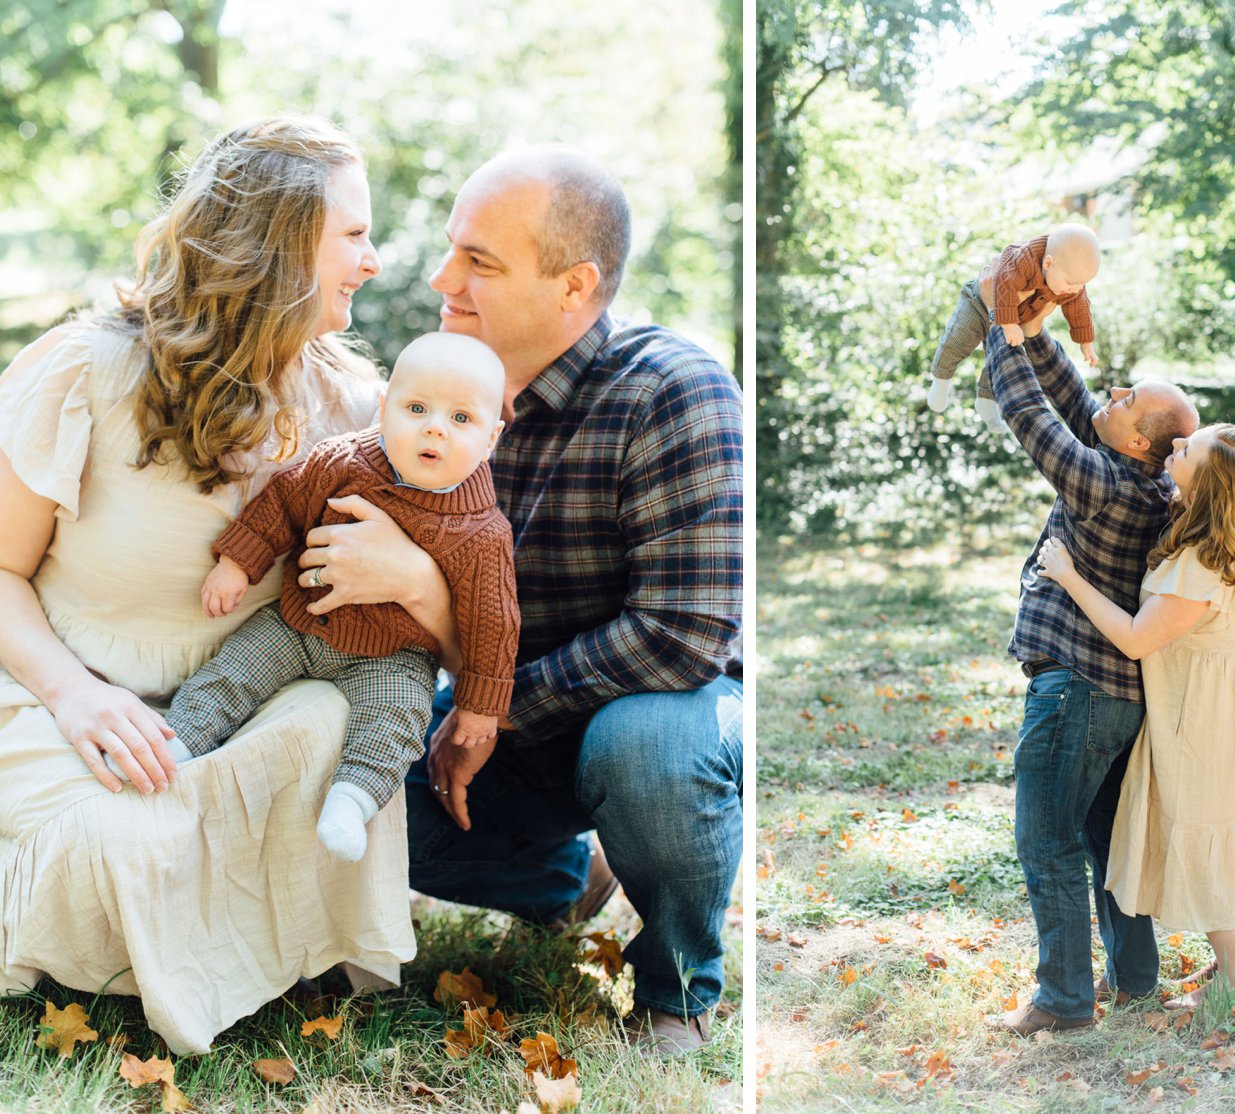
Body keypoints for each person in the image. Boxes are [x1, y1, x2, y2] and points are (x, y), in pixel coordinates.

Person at [296, 146, 743, 1056]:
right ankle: (560, 876)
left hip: (645, 715)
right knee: (340, 797)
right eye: (453, 250)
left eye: (479, 263)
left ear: (574, 288)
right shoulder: (437, 401)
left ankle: (676, 991)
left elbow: (683, 636)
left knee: (652, 749)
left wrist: (492, 706)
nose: (440, 278)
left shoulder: (676, 392)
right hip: (490, 725)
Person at [0, 117, 421, 1054]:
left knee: (334, 722)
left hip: (236, 714)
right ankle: (181, 909)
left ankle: (198, 908)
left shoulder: (354, 408)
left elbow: (418, 614)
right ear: (278, 241)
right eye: (354, 235)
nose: (377, 260)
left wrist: (416, 580)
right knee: (118, 842)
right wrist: (76, 700)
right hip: (54, 697)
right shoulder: (82, 371)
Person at [163, 332, 520, 863]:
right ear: (384, 409)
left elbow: (494, 624)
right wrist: (238, 562)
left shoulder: (482, 534)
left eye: (460, 419)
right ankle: (181, 742)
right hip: (298, 624)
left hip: (391, 655)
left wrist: (479, 706)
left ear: (491, 439)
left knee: (397, 717)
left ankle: (352, 800)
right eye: (416, 408)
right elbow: (282, 503)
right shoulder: (343, 462)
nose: (434, 427)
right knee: (235, 667)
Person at [977, 285, 1199, 1037]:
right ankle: (1135, 981)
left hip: (1075, 692)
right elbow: (1075, 402)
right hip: (1117, 698)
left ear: (1139, 440)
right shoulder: (1144, 478)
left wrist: (1001, 329)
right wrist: (1038, 334)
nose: (1114, 391)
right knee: (1106, 843)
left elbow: (1035, 419)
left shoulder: (1101, 484)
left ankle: (1065, 999)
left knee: (1046, 841)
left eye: (1129, 398)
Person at [1036, 423, 1235, 1007]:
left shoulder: (1199, 566)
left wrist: (1068, 576)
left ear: (1207, 487)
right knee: (1223, 829)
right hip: (1232, 710)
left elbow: (1136, 639)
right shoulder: (1225, 540)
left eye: (1188, 450)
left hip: (1207, 722)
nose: (1176, 445)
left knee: (1205, 831)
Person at [929, 226, 1100, 430]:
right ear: (1048, 263)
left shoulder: (1070, 280)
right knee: (959, 338)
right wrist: (1008, 324)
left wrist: (1085, 341)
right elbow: (1004, 283)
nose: (1075, 289)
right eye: (1071, 283)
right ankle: (941, 379)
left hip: (1017, 316)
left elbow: (1079, 306)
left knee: (1002, 359)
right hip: (979, 303)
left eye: (1082, 284)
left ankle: (987, 401)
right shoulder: (1024, 258)